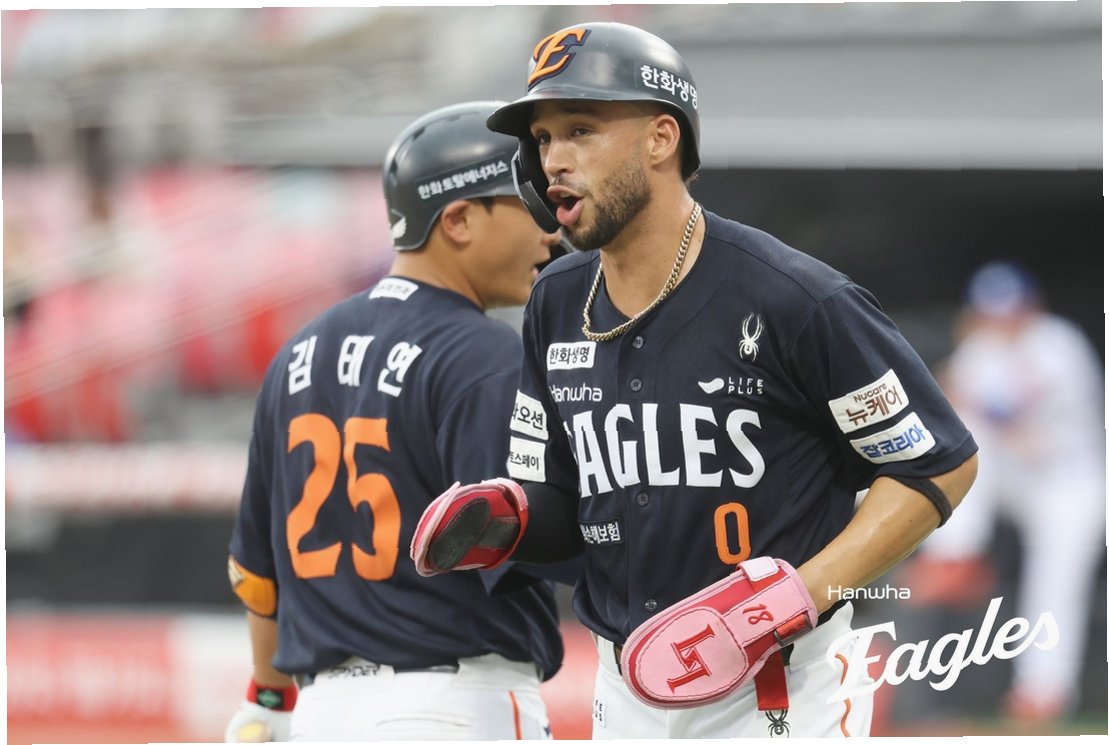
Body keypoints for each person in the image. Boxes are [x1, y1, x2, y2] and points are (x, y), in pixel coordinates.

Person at [410, 22, 979, 740]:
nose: (553, 159)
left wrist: (798, 595)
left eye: (580, 129)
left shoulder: (791, 296)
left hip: (778, 687)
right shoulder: (555, 300)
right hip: (623, 688)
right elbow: (564, 503)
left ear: (660, 138)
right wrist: (512, 514)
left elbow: (940, 463)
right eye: (544, 138)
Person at [225, 100, 566, 742]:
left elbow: (256, 573)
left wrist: (267, 699)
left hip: (323, 715)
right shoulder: (480, 354)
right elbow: (524, 543)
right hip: (454, 705)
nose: (552, 229)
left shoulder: (297, 353)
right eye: (530, 204)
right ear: (458, 219)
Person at [903, 261, 1104, 725]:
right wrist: (955, 383)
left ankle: (1043, 693)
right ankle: (956, 554)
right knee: (968, 435)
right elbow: (952, 411)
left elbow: (1007, 410)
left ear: (1032, 307)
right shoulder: (980, 350)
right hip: (1015, 477)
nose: (1004, 322)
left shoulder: (1058, 344)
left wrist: (956, 383)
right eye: (993, 312)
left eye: (1011, 311)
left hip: (1070, 482)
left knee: (1055, 575)